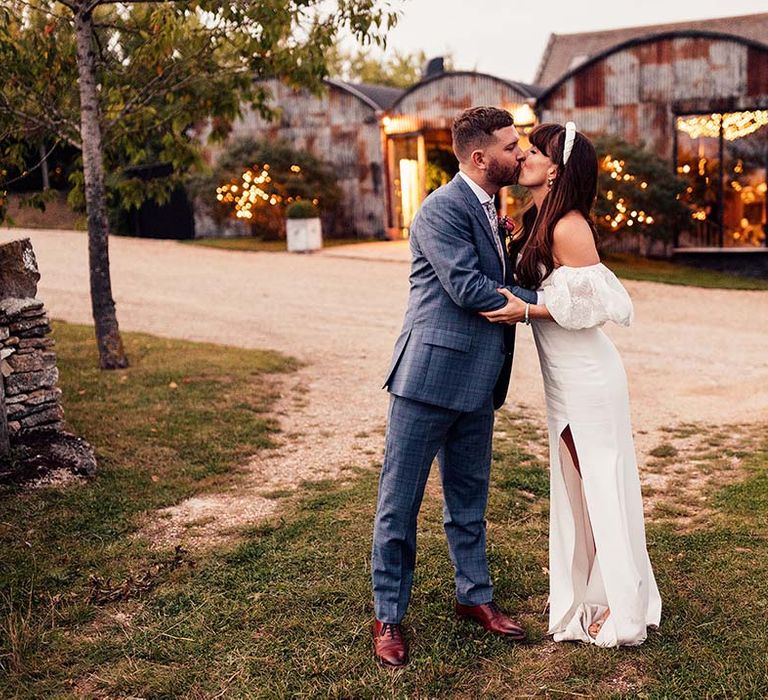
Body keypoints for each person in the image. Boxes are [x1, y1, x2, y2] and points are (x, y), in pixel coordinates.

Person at [480, 122, 662, 647]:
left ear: (556, 168)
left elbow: (590, 306)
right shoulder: (540, 219)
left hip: (589, 379)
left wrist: (527, 308)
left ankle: (618, 605)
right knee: (580, 486)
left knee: (600, 483)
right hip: (563, 381)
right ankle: (588, 592)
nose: (522, 158)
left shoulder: (570, 226)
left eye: (532, 151)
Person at [370, 107, 538, 668]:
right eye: (512, 147)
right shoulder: (441, 209)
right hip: (427, 379)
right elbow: (467, 287)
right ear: (479, 157)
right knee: (400, 505)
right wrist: (536, 308)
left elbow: (495, 274)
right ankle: (389, 615)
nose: (520, 154)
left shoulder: (494, 208)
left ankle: (476, 598)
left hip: (477, 384)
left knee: (469, 502)